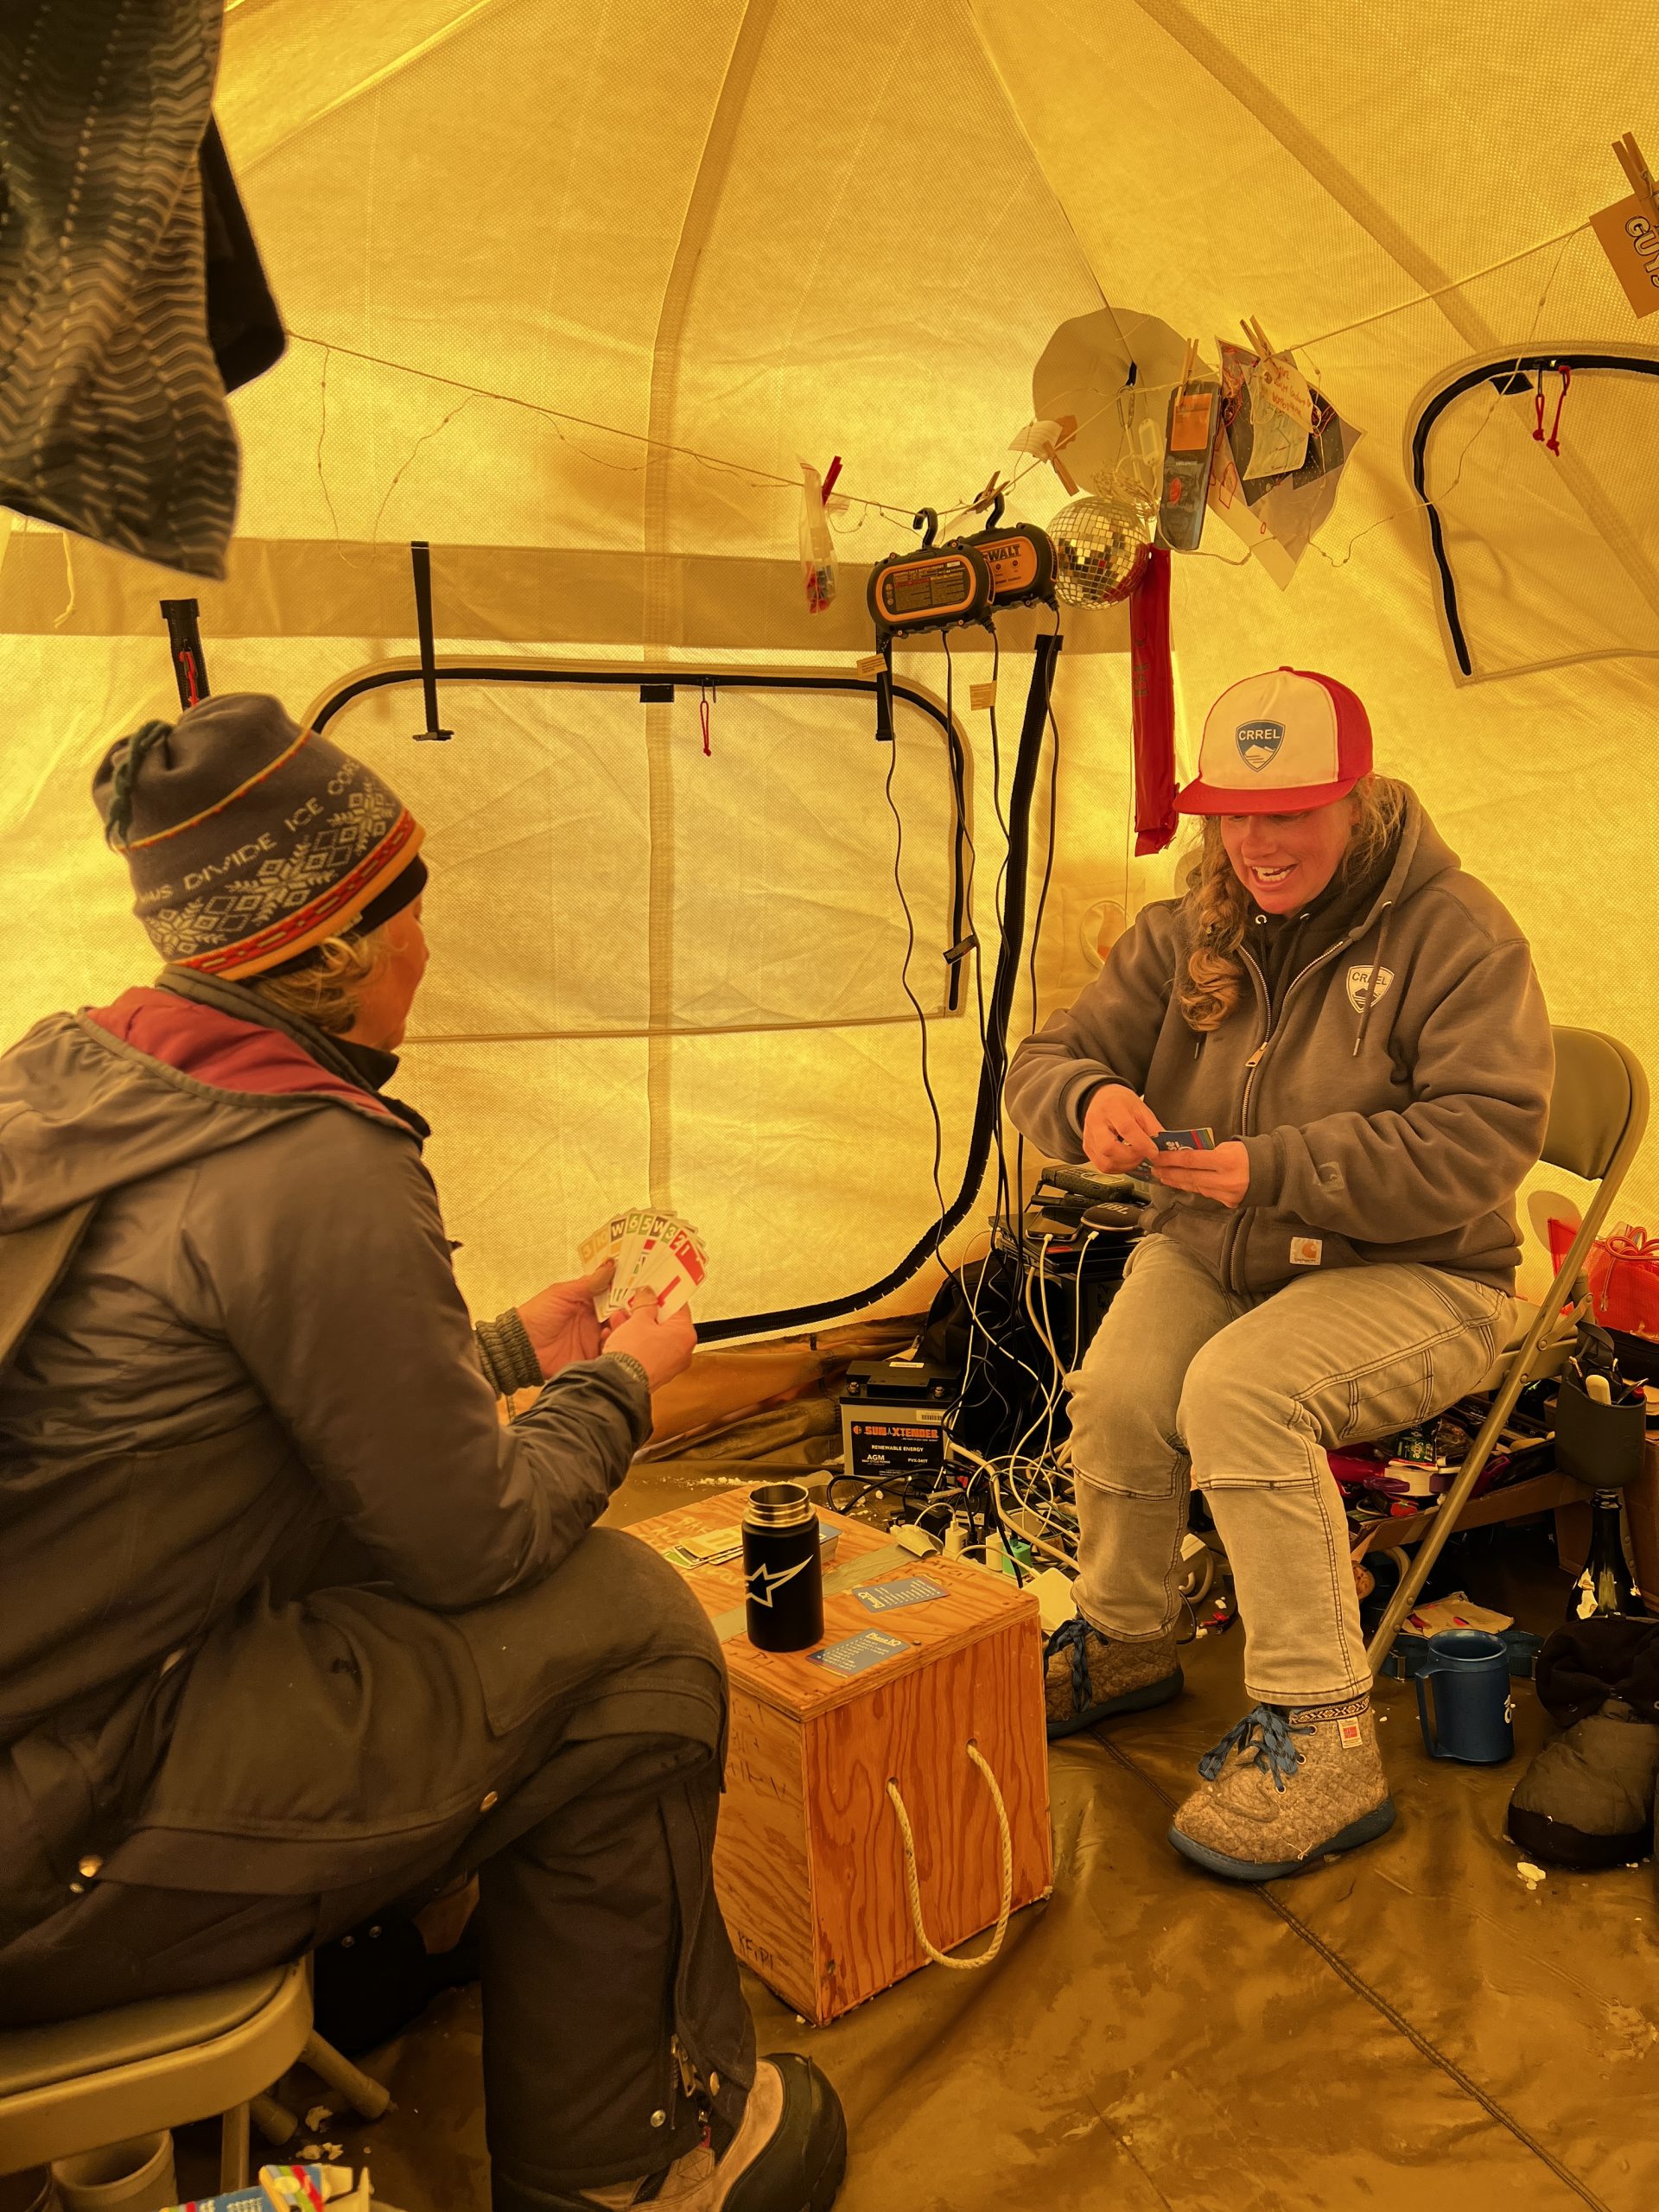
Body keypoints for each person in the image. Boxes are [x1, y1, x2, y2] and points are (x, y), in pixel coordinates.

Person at [0, 695, 847, 2212]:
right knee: (629, 1632)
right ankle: (629, 2166)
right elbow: (474, 1542)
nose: (426, 953)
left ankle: (399, 1941)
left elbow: (247, 1420)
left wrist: (520, 1352)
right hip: (64, 1838)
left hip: (50, 1715)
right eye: (407, 914)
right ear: (328, 945)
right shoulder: (310, 1158)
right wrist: (632, 1387)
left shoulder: (80, 1076)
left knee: (382, 1570)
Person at [1005, 667, 1553, 1882]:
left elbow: (1483, 1137)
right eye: (1235, 815)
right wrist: (1087, 1099)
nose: (1257, 844)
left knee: (1238, 1394)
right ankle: (1134, 1637)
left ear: (1354, 798)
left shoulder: (1457, 933)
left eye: (1289, 812)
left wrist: (1277, 1168)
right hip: (1225, 1250)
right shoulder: (1187, 928)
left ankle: (1326, 1733)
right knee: (1121, 1393)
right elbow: (1045, 1056)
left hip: (1422, 1270)